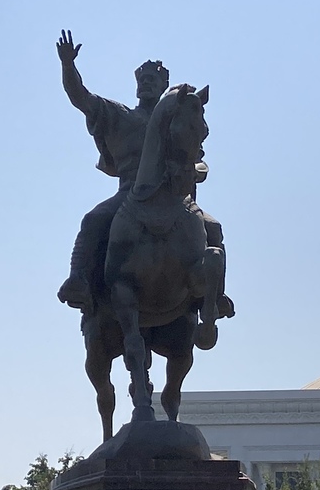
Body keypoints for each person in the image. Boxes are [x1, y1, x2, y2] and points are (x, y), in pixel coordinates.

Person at [54, 29, 233, 318]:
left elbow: (195, 155)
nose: (147, 83)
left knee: (213, 228)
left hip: (177, 196)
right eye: (143, 80)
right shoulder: (120, 115)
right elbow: (81, 97)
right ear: (137, 86)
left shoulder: (176, 122)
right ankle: (78, 281)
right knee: (93, 220)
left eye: (154, 80)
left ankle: (216, 297)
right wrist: (67, 65)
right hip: (130, 192)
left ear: (164, 86)